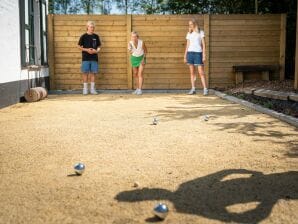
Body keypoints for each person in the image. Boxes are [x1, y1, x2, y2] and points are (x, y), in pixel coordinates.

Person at [184, 19, 208, 95]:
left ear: (195, 24)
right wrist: (185, 55)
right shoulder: (189, 33)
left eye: (191, 24)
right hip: (190, 53)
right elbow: (187, 45)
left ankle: (205, 89)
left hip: (198, 53)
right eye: (189, 24)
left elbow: (204, 45)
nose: (190, 26)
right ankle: (193, 89)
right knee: (192, 73)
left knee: (201, 72)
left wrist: (204, 55)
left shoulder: (201, 32)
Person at [77, 21, 101, 95]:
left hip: (94, 58)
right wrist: (86, 50)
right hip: (85, 58)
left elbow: (99, 46)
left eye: (93, 27)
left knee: (93, 73)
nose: (92, 28)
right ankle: (85, 89)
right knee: (85, 73)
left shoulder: (96, 36)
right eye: (90, 27)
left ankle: (92, 89)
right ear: (87, 27)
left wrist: (96, 51)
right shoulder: (83, 36)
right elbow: (78, 46)